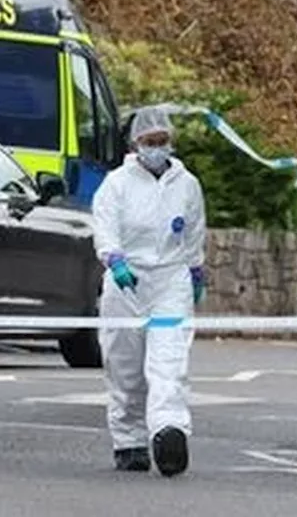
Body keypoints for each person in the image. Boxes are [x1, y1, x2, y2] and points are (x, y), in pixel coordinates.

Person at [90, 106, 207, 477]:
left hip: (171, 280)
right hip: (127, 279)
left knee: (168, 361)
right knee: (125, 366)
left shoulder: (186, 185)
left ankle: (168, 431)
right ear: (135, 143)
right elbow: (105, 227)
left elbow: (193, 232)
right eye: (149, 141)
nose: (157, 148)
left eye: (163, 141)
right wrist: (114, 260)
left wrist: (195, 270)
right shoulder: (117, 184)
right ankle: (129, 441)